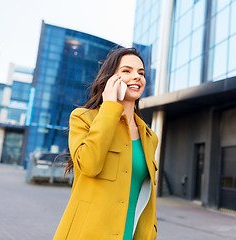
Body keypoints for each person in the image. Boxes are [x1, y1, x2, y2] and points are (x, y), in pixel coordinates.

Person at [53, 48, 159, 240]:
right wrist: (110, 106)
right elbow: (89, 165)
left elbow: (145, 195)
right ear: (111, 79)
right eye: (127, 71)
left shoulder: (150, 136)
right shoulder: (82, 118)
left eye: (141, 73)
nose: (137, 77)